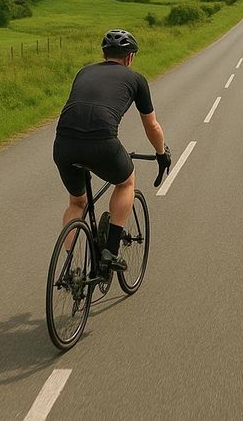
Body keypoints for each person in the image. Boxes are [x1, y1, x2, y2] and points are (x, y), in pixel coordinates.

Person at [53, 29, 171, 273]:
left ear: (103, 54)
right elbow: (152, 125)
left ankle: (71, 266)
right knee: (126, 182)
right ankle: (110, 251)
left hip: (64, 142)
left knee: (77, 202)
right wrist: (161, 153)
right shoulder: (136, 79)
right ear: (130, 58)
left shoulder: (84, 72)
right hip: (102, 142)